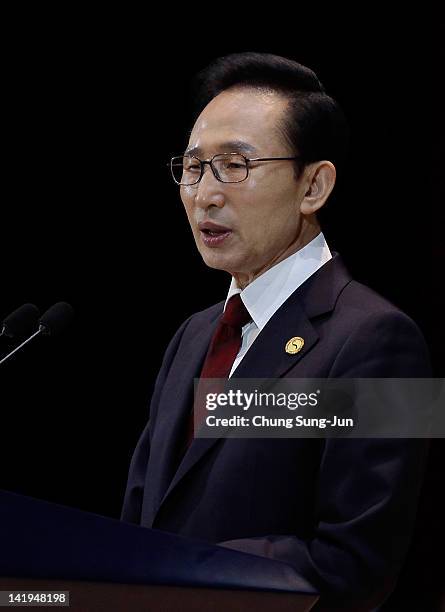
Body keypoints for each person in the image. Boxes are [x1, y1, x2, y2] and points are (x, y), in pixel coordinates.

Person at [121, 53, 431, 606]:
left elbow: (361, 564)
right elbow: (139, 519)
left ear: (313, 186)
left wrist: (184, 576)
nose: (205, 194)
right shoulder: (192, 336)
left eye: (235, 166)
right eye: (193, 168)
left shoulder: (387, 339)